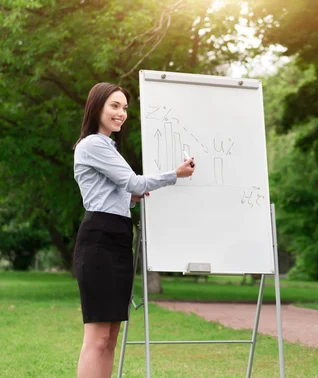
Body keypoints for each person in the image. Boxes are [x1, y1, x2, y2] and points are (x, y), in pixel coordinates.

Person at [72, 82, 195, 378]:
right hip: (100, 238)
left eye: (125, 107)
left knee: (111, 338)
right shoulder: (92, 144)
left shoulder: (107, 146)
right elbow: (134, 182)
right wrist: (175, 175)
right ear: (97, 107)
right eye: (114, 106)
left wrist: (130, 199)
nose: (121, 113)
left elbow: (119, 192)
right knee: (97, 338)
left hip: (116, 236)